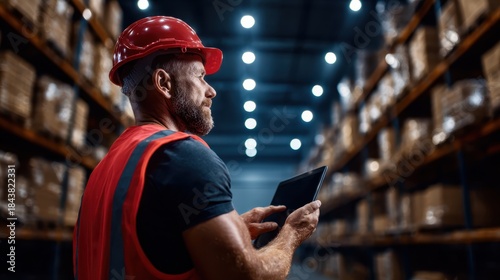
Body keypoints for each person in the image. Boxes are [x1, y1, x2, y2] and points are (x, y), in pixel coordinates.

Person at [73, 16, 321, 280]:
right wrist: (291, 235)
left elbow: (149, 241)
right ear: (163, 83)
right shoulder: (184, 156)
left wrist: (228, 230)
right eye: (201, 76)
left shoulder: (106, 168)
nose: (211, 90)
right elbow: (246, 276)